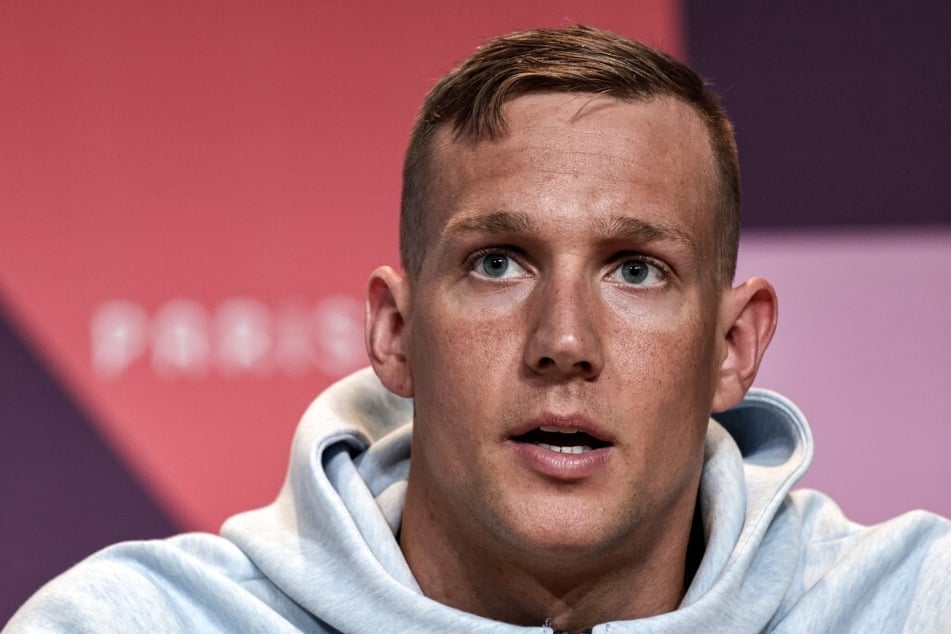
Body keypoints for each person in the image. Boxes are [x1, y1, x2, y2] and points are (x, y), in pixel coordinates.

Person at [6, 25, 949, 633]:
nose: (564, 341)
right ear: (395, 333)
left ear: (732, 347)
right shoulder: (137, 626)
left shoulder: (909, 606)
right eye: (497, 262)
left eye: (635, 269)